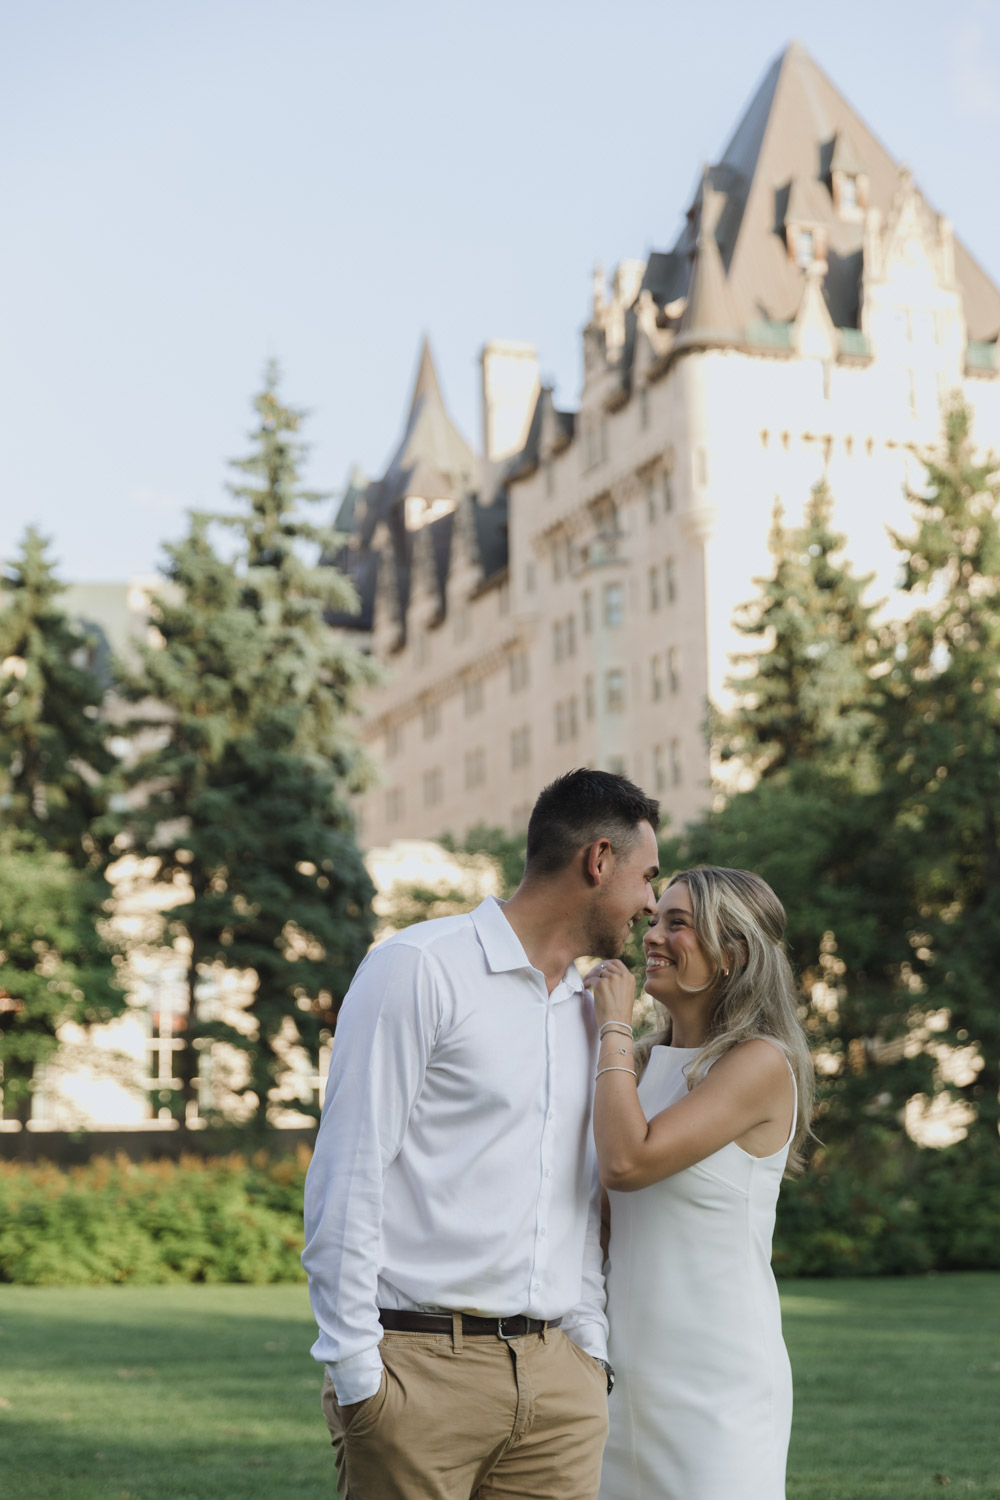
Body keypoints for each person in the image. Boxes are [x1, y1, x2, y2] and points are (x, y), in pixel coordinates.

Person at [302, 768, 661, 1500]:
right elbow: (349, 1171)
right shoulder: (419, 968)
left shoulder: (589, 1012)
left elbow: (576, 1191)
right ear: (598, 862)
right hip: (418, 1379)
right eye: (647, 877)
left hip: (558, 1390)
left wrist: (588, 1349)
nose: (651, 903)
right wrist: (359, 1375)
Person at [584, 866, 814, 1500]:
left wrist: (613, 1026)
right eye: (655, 919)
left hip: (715, 1377)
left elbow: (628, 1164)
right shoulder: (645, 1063)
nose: (652, 935)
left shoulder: (760, 1061)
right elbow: (599, 1213)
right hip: (619, 1366)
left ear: (731, 954)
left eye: (678, 924)